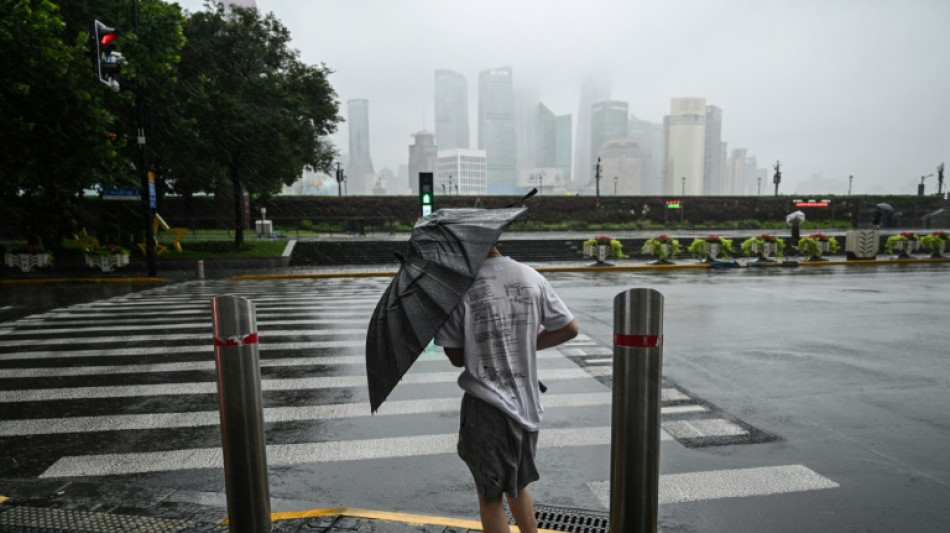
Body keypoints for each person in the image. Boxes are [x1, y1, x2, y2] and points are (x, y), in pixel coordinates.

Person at [435, 245, 579, 533]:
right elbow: (568, 328)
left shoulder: (459, 289)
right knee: (517, 484)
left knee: (490, 495)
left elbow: (457, 358)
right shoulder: (530, 276)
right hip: (527, 402)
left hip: (487, 405)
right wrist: (526, 343)